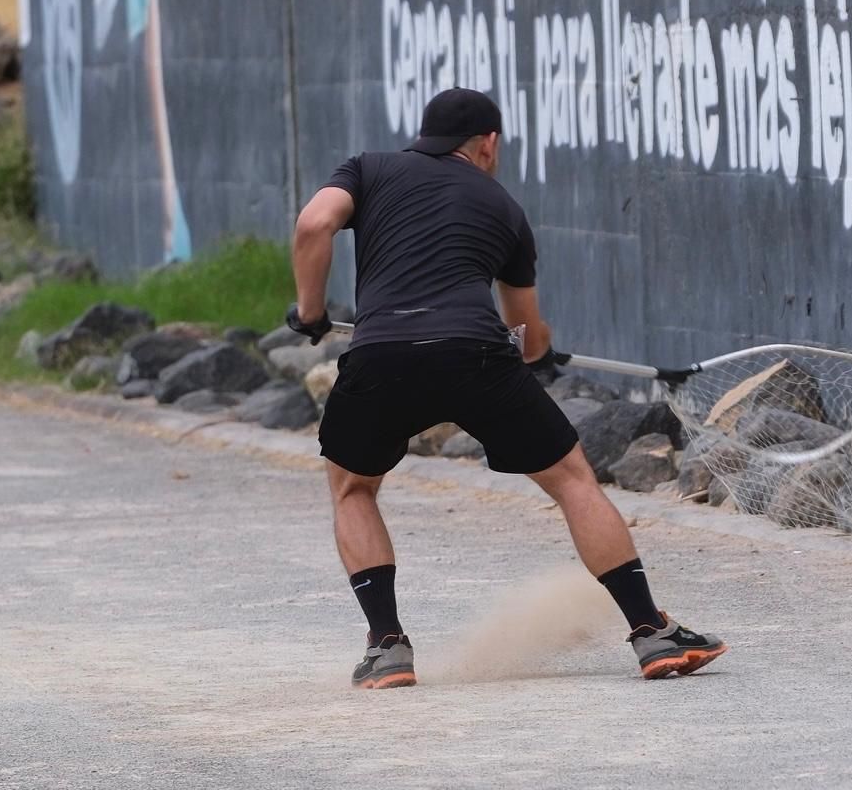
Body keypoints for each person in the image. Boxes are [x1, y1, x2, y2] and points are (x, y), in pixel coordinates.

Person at [287, 87, 726, 688]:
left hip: (382, 354)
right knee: (572, 481)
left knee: (354, 490)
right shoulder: (503, 206)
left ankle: (388, 647)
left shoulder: (368, 168)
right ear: (488, 143)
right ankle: (651, 632)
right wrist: (539, 353)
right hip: (478, 355)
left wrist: (311, 312)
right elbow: (529, 332)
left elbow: (315, 224)